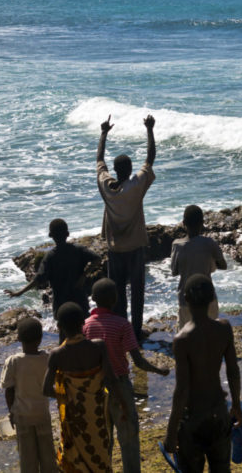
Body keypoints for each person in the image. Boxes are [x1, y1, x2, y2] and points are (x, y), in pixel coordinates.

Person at [83, 278, 169, 473]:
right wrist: (158, 370)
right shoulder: (122, 324)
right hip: (120, 385)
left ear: (93, 299)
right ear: (115, 299)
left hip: (96, 389)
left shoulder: (86, 326)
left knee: (103, 440)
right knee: (128, 438)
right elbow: (138, 361)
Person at [165, 274, 242, 473]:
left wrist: (171, 431)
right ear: (212, 299)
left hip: (192, 420)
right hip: (218, 412)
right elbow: (233, 371)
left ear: (186, 299)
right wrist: (236, 405)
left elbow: (182, 389)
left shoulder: (182, 340)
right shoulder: (224, 328)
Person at [97, 113, 156, 343]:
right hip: (135, 247)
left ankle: (121, 331)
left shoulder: (107, 187)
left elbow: (98, 162)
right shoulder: (135, 187)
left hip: (114, 248)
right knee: (137, 292)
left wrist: (103, 134)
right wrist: (150, 130)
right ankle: (136, 331)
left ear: (115, 170)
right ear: (130, 170)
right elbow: (150, 159)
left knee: (118, 293)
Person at [43, 302, 122, 473]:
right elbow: (111, 379)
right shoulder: (99, 346)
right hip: (97, 414)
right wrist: (122, 404)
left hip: (74, 418)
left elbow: (46, 389)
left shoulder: (57, 355)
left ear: (59, 326)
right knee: (100, 454)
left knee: (75, 459)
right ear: (83, 323)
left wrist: (68, 397)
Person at [5, 219, 101, 329]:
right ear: (68, 234)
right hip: (80, 302)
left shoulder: (50, 257)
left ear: (51, 236)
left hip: (61, 306)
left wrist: (19, 292)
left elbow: (38, 279)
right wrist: (84, 276)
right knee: (83, 330)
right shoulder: (78, 250)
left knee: (64, 335)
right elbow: (97, 258)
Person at [0, 317, 57, 473]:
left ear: (18, 338)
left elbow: (9, 391)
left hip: (23, 417)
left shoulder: (13, 361)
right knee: (48, 456)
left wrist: (11, 413)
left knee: (27, 459)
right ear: (40, 339)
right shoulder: (46, 358)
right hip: (42, 414)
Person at [170, 205, 227, 330]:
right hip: (208, 298)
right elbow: (223, 265)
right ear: (202, 223)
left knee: (188, 337)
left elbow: (174, 271)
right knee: (210, 336)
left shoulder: (177, 245)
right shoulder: (209, 243)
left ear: (184, 223)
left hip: (186, 300)